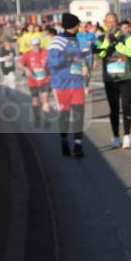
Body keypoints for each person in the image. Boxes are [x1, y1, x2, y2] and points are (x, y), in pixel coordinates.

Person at [47, 13, 89, 158]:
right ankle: (64, 140)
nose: (79, 26)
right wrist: (69, 58)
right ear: (74, 25)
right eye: (78, 24)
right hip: (61, 84)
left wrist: (86, 59)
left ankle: (78, 144)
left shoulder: (79, 39)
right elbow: (52, 62)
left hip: (76, 82)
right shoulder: (57, 41)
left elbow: (84, 56)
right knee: (64, 114)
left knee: (79, 112)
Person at [96, 13, 131, 149]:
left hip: (126, 77)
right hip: (110, 79)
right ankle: (116, 136)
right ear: (104, 23)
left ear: (117, 23)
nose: (110, 25)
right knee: (113, 108)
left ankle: (126, 135)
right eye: (108, 22)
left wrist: (117, 43)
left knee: (126, 106)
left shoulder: (127, 37)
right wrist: (107, 41)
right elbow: (100, 54)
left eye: (113, 22)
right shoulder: (100, 38)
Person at [20, 36, 51, 127]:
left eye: (37, 45)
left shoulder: (46, 52)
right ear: (31, 46)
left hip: (45, 80)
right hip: (33, 81)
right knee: (35, 101)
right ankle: (37, 118)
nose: (36, 47)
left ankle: (46, 120)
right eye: (34, 45)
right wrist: (26, 69)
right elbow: (20, 64)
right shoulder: (27, 54)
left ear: (40, 45)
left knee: (45, 99)